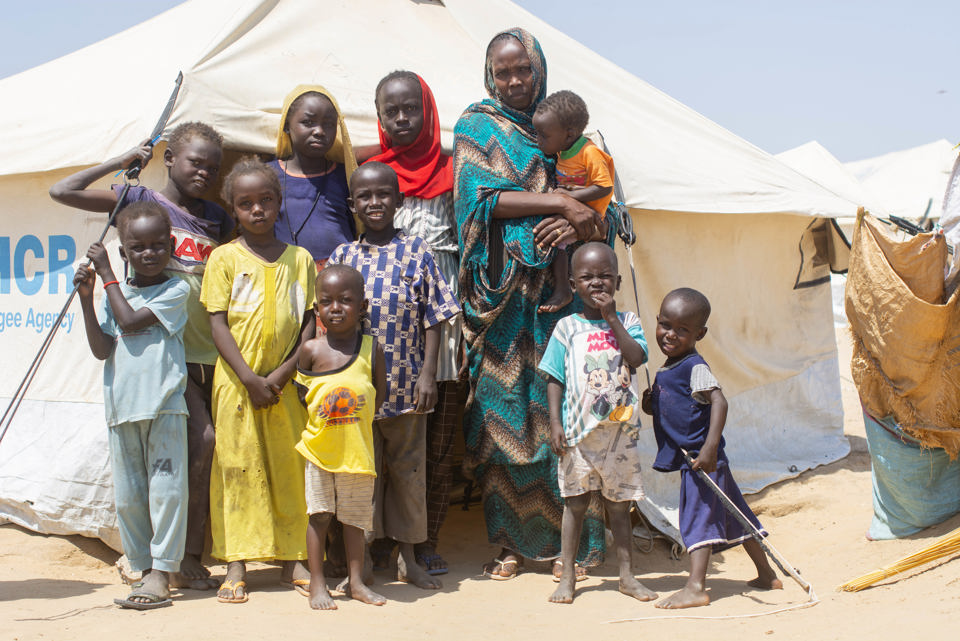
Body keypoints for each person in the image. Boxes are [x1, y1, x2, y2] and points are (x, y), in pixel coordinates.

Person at [50, 122, 232, 589]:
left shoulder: (217, 217)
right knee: (198, 443)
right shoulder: (138, 202)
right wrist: (124, 159)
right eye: (196, 162)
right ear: (169, 158)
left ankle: (189, 552)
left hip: (212, 353)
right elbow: (62, 190)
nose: (204, 173)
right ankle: (178, 558)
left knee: (204, 454)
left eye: (213, 167)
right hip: (165, 357)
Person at [454, 27, 604, 581]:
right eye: (503, 71)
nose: (515, 80)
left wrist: (574, 222)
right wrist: (560, 201)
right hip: (500, 304)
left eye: (523, 70)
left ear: (540, 70)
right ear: (490, 75)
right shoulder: (476, 126)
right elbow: (478, 201)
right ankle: (510, 544)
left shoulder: (564, 130)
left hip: (558, 305)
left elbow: (605, 204)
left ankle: (577, 547)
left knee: (564, 417)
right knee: (504, 421)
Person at [328, 162, 460, 591]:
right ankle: (360, 560)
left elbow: (435, 318)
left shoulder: (417, 251)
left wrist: (428, 375)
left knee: (408, 474)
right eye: (365, 196)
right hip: (357, 389)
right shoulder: (344, 256)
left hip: (407, 387)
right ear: (353, 205)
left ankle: (408, 558)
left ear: (399, 200)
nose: (375, 203)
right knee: (362, 476)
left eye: (383, 194)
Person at [199, 157, 317, 604]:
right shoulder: (223, 258)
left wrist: (285, 372)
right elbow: (217, 323)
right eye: (245, 203)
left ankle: (293, 559)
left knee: (289, 467)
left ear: (278, 202)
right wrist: (249, 377)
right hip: (237, 384)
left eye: (265, 200)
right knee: (238, 468)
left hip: (286, 386)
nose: (257, 210)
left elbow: (308, 321)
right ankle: (236, 563)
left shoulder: (300, 260)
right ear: (233, 209)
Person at [73, 202, 190, 610]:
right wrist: (88, 300)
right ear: (125, 252)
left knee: (166, 492)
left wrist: (106, 276)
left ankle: (162, 571)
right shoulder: (113, 294)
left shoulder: (177, 289)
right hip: (122, 409)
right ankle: (142, 567)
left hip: (163, 408)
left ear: (171, 245)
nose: (149, 253)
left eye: (159, 245)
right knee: (128, 498)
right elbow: (103, 347)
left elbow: (131, 322)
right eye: (138, 247)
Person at [367, 70, 459, 575]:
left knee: (438, 441)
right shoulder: (370, 173)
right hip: (384, 330)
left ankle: (426, 539)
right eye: (391, 111)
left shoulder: (455, 169)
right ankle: (380, 540)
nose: (402, 120)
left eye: (411, 109)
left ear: (428, 111)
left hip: (441, 326)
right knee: (382, 440)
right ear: (379, 117)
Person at [642, 288, 783, 609]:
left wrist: (709, 448)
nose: (670, 334)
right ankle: (766, 573)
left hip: (701, 460)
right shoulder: (670, 366)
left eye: (682, 330)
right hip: (701, 459)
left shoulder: (694, 366)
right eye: (665, 324)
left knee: (697, 518)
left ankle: (696, 586)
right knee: (737, 515)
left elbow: (719, 401)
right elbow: (673, 409)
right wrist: (652, 404)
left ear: (699, 334)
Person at [539, 242, 657, 604]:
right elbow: (554, 378)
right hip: (577, 434)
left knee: (620, 508)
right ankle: (568, 577)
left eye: (605, 276)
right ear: (573, 285)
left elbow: (636, 358)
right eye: (587, 278)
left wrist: (611, 319)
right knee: (574, 505)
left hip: (619, 436)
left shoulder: (630, 322)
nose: (597, 283)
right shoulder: (565, 328)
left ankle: (627, 576)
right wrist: (555, 423)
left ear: (618, 281)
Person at [293, 265, 388, 610]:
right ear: (317, 309)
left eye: (345, 300)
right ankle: (318, 583)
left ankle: (357, 582)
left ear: (362, 306)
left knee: (354, 520)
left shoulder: (371, 349)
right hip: (320, 451)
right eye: (326, 301)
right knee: (319, 516)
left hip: (357, 452)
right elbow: (303, 396)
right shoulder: (311, 352)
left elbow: (380, 392)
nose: (335, 307)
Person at [532, 90, 616, 313]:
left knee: (561, 243)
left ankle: (564, 289)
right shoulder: (563, 150)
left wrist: (569, 198)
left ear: (568, 135)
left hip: (591, 213)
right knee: (558, 242)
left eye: (543, 136)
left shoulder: (589, 152)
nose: (538, 140)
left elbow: (605, 185)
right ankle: (564, 287)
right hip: (574, 210)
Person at [272, 85, 358, 270]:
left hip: (337, 281)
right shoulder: (268, 177)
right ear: (287, 125)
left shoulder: (346, 177)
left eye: (328, 124)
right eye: (308, 122)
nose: (319, 131)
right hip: (282, 278)